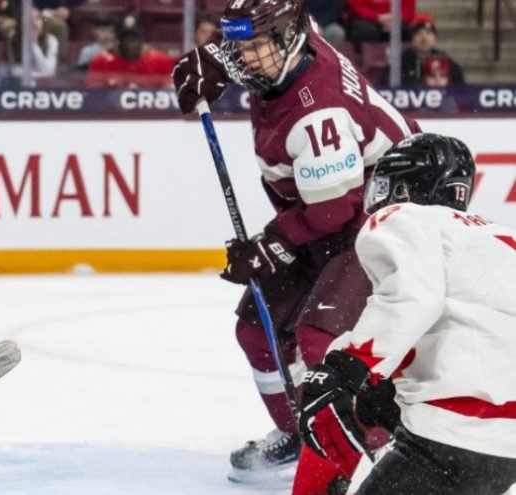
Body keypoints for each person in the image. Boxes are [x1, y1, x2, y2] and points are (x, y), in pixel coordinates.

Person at [172, 0, 419, 490]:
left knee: (320, 338)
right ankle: (297, 429)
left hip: (377, 224)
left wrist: (270, 246)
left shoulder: (318, 112)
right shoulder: (294, 48)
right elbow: (320, 210)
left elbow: (334, 209)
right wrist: (212, 58)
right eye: (237, 46)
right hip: (325, 217)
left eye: (254, 46)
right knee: (256, 331)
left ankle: (362, 437)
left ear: (290, 40)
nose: (244, 58)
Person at [297, 133, 516, 494]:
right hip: (505, 446)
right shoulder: (502, 238)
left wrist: (343, 367)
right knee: (364, 396)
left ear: (402, 188)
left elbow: (414, 298)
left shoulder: (404, 218)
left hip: (452, 437)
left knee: (328, 401)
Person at [86, 17, 175, 88]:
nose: (130, 44)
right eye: (125, 39)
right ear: (117, 41)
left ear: (142, 40)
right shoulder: (100, 61)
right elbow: (94, 98)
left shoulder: (159, 60)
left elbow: (169, 95)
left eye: (134, 39)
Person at [393, 14, 465, 88]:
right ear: (411, 38)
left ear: (435, 38)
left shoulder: (444, 60)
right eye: (418, 33)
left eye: (428, 33)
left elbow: (460, 89)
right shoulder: (401, 62)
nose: (424, 38)